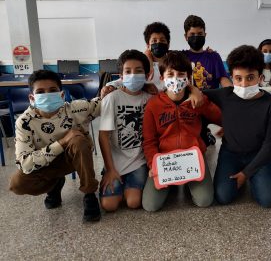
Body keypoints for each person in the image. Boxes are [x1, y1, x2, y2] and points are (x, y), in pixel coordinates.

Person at [9, 70, 103, 222]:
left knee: (78, 140)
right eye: (40, 92)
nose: (47, 95)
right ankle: (54, 184)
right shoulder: (24, 122)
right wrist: (63, 142)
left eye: (52, 90)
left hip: (74, 159)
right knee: (17, 183)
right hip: (47, 164)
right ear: (32, 98)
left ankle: (89, 194)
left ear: (61, 95)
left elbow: (106, 101)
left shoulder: (76, 109)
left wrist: (112, 85)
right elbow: (24, 163)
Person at [141, 51, 222, 212]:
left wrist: (201, 101)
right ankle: (171, 186)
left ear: (188, 77)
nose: (176, 78)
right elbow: (149, 141)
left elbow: (219, 117)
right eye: (170, 74)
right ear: (162, 78)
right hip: (166, 161)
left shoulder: (197, 100)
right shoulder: (153, 105)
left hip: (193, 158)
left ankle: (186, 184)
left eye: (181, 74)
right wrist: (152, 164)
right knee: (150, 206)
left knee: (204, 200)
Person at [204, 45, 271, 208]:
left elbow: (269, 145)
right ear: (231, 77)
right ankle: (245, 176)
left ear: (260, 77)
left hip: (258, 154)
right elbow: (198, 92)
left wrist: (246, 174)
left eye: (250, 77)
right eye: (238, 78)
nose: (244, 84)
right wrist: (192, 90)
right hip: (230, 154)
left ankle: (252, 176)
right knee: (223, 197)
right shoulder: (225, 95)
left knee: (269, 200)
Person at [98, 50, 152, 212]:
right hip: (114, 162)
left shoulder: (149, 99)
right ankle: (114, 180)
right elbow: (103, 136)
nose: (133, 75)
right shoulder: (111, 98)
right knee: (109, 206)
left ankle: (129, 187)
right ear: (120, 75)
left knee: (133, 202)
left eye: (139, 71)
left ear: (147, 75)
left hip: (138, 162)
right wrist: (110, 169)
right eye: (128, 71)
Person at [183, 14, 232, 146]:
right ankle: (205, 133)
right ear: (186, 37)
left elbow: (223, 79)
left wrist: (234, 96)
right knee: (199, 142)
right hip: (192, 105)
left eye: (200, 33)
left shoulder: (213, 56)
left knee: (234, 123)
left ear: (205, 35)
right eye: (192, 34)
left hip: (211, 103)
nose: (196, 37)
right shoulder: (182, 56)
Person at [107, 22, 171, 91]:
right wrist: (110, 86)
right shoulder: (143, 65)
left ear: (168, 44)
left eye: (162, 40)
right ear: (148, 46)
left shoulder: (174, 63)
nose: (158, 43)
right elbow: (126, 79)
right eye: (154, 41)